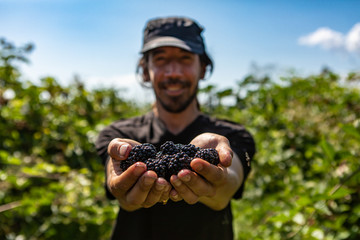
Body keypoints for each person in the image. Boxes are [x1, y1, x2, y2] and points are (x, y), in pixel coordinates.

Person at [96, 16, 256, 240]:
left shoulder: (234, 135)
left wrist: (219, 183)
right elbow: (117, 183)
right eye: (160, 59)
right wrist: (121, 187)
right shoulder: (119, 135)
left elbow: (227, 185)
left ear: (202, 68)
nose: (173, 72)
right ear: (145, 70)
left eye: (185, 59)